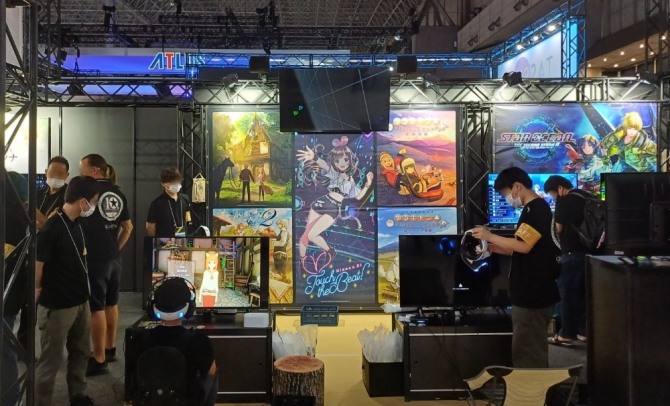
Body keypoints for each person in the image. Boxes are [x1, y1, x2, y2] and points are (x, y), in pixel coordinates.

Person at [471, 167, 560, 368]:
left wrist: (490, 236)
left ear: (517, 186)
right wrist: (492, 247)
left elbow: (524, 246)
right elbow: (521, 248)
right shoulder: (533, 209)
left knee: (528, 350)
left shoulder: (535, 210)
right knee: (528, 346)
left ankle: (531, 387)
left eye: (506, 193)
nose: (507, 199)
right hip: (531, 292)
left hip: (533, 295)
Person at [35, 176, 100, 406]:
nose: (93, 206)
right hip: (58, 305)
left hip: (80, 301)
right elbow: (38, 264)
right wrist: (37, 289)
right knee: (51, 359)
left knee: (81, 352)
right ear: (82, 202)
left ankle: (78, 395)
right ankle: (41, 401)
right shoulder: (52, 227)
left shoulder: (77, 223)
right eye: (93, 201)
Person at [79, 153, 134, 376]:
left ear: (94, 170)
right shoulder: (118, 193)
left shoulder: (88, 192)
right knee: (111, 304)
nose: (80, 172)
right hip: (114, 259)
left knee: (97, 308)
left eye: (82, 167)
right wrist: (115, 249)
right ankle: (110, 349)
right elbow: (128, 227)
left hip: (95, 259)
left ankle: (99, 358)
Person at [296, 136, 374, 264]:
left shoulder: (350, 181)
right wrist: (314, 158)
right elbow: (325, 165)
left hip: (333, 208)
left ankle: (330, 250)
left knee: (312, 235)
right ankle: (303, 262)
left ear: (350, 160)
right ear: (334, 161)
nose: (342, 163)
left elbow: (359, 196)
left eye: (345, 159)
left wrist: (367, 184)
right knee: (306, 234)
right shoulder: (334, 173)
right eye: (337, 161)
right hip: (321, 202)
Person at [139, 277, 217, 406]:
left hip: (150, 400)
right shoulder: (198, 340)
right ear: (190, 307)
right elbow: (211, 372)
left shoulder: (141, 338)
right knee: (213, 372)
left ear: (152, 306)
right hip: (186, 401)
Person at [544, 175, 590, 346]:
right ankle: (584, 331)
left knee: (568, 294)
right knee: (585, 295)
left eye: (552, 195)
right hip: (591, 254)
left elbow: (558, 229)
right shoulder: (587, 196)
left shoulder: (564, 201)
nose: (554, 198)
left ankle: (567, 334)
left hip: (572, 253)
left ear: (560, 188)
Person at [2, 171, 29, 406]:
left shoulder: (8, 218)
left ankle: (9, 399)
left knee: (4, 350)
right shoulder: (22, 215)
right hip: (13, 292)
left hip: (6, 293)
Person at [146, 167, 192, 237]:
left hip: (183, 239)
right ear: (163, 184)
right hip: (165, 241)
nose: (175, 184)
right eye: (171, 182)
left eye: (177, 181)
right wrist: (157, 240)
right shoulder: (157, 203)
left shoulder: (185, 199)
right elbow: (150, 226)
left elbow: (188, 218)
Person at [36, 156, 70, 229]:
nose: (56, 176)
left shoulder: (70, 196)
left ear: (67, 175)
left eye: (60, 173)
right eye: (52, 172)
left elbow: (55, 228)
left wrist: (35, 212)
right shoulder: (38, 194)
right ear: (46, 172)